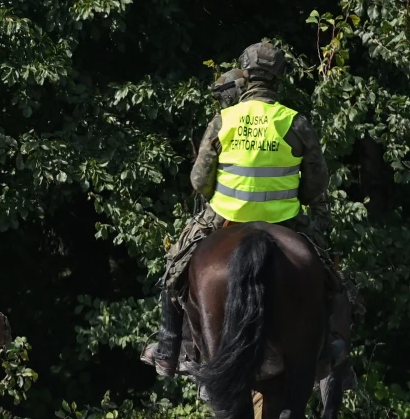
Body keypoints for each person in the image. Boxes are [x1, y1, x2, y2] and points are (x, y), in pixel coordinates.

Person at [141, 42, 354, 377]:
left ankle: (168, 351)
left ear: (244, 74)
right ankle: (326, 349)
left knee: (174, 267)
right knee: (330, 274)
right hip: (286, 220)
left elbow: (199, 181)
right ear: (279, 77)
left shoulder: (223, 120)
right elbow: (316, 185)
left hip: (224, 215)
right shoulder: (294, 123)